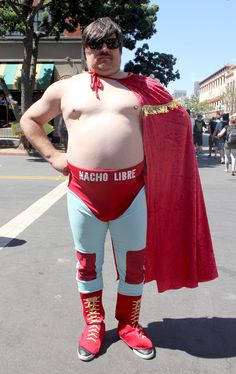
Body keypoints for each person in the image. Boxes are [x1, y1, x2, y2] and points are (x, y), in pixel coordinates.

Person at [20, 17, 218, 362]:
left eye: (111, 43)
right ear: (85, 50)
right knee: (87, 264)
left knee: (134, 265)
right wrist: (53, 155)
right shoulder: (66, 88)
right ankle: (94, 323)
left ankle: (129, 324)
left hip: (132, 193)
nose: (104, 50)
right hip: (84, 193)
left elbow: (176, 126)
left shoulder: (143, 88)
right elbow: (29, 120)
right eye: (95, 44)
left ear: (121, 49)